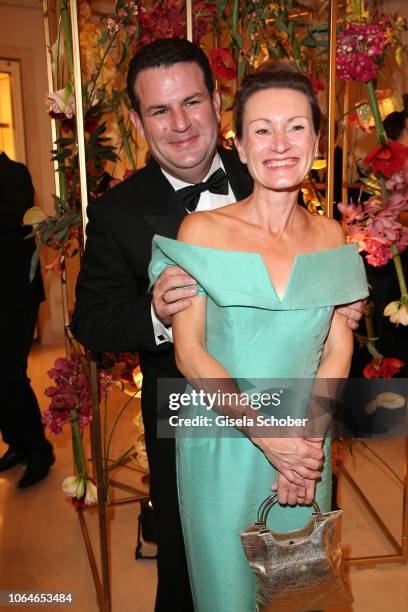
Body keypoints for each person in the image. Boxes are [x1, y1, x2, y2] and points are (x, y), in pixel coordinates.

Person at [71, 39, 364, 611]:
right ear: (137, 121)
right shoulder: (118, 212)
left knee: (299, 582)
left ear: (216, 102)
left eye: (191, 102)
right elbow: (94, 321)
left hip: (306, 430)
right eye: (159, 110)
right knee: (197, 577)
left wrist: (304, 440)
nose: (179, 124)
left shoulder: (272, 158)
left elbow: (330, 329)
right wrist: (157, 311)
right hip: (194, 417)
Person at [149, 64, 368, 611]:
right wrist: (270, 440)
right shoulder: (204, 232)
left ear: (317, 142)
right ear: (240, 147)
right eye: (262, 130)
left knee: (300, 594)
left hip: (305, 437)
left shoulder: (330, 236)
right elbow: (190, 352)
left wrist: (306, 447)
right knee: (227, 595)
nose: (280, 144)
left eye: (296, 128)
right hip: (224, 437)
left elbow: (338, 345)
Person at [0, 151, 54, 488]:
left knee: (10, 375)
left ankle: (40, 451)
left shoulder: (15, 173)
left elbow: (11, 220)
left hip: (15, 295)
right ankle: (18, 443)